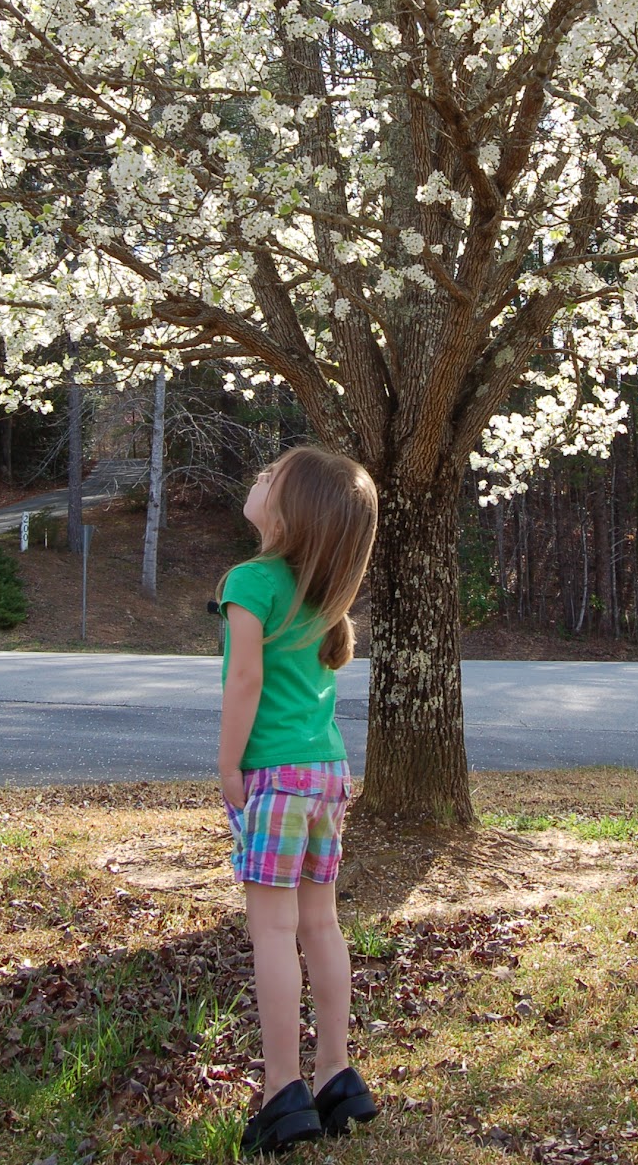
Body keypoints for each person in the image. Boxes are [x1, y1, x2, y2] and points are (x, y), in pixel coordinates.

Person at [217, 444, 380, 1156]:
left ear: (290, 514)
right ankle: (337, 1075)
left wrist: (229, 767)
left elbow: (244, 684)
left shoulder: (250, 582)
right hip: (326, 774)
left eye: (269, 478)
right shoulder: (322, 594)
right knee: (322, 926)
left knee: (274, 931)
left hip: (276, 778)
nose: (257, 479)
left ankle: (283, 1090)